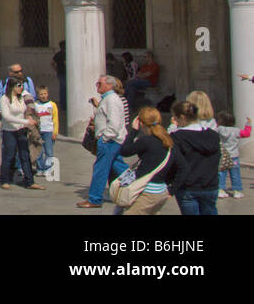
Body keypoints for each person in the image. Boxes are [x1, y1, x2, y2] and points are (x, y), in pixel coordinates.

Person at [116, 107, 182, 215]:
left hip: (146, 191)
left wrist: (133, 131)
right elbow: (183, 167)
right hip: (160, 191)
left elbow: (124, 151)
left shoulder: (145, 141)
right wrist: (171, 190)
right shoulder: (169, 141)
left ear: (141, 123)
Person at [78, 74, 129, 208]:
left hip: (110, 141)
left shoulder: (111, 100)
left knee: (100, 169)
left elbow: (114, 122)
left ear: (109, 85)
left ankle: (94, 199)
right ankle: (135, 188)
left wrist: (105, 138)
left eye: (100, 83)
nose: (97, 86)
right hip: (111, 140)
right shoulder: (107, 99)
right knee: (120, 169)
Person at [170, 100, 221, 214]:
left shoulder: (177, 137)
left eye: (175, 118)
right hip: (210, 185)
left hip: (188, 187)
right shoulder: (213, 135)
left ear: (181, 117)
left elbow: (174, 163)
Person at [0, 78, 43, 190]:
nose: (21, 88)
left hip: (21, 130)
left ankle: (29, 181)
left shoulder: (21, 97)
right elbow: (7, 117)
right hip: (9, 131)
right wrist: (26, 121)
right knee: (9, 155)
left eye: (22, 85)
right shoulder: (5, 99)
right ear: (12, 86)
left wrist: (28, 116)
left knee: (25, 155)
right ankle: (5, 180)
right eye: (19, 85)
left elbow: (27, 108)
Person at [216, 110, 249, 198]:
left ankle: (220, 190)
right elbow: (247, 133)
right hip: (234, 156)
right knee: (235, 174)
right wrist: (248, 125)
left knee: (222, 173)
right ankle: (237, 191)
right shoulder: (237, 130)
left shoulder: (219, 129)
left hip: (222, 155)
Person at [32, 85, 59, 175]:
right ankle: (40, 168)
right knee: (39, 151)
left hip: (48, 131)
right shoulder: (35, 105)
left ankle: (48, 168)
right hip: (39, 131)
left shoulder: (52, 105)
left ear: (48, 94)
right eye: (41, 94)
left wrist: (55, 132)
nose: (43, 96)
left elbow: (55, 119)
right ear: (38, 95)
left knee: (49, 151)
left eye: (45, 94)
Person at [52, 41, 67, 113]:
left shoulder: (58, 54)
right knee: (65, 89)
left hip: (60, 73)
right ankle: (65, 105)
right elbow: (65, 63)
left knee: (62, 89)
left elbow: (52, 62)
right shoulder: (65, 54)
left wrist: (56, 69)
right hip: (65, 73)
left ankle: (63, 104)